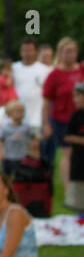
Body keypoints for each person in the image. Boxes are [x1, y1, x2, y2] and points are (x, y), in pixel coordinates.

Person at [41, 37, 82, 189]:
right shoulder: (54, 75)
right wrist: (46, 124)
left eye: (73, 51)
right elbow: (46, 102)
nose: (71, 55)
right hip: (62, 119)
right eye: (67, 51)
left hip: (81, 119)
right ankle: (68, 188)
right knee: (68, 152)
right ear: (60, 53)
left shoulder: (81, 71)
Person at [12, 39, 49, 136]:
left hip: (37, 119)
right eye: (24, 50)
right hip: (16, 119)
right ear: (20, 52)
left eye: (30, 50)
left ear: (36, 52)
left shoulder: (44, 70)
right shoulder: (13, 68)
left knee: (35, 148)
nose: (27, 54)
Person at [63, 82, 84, 210]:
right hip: (79, 162)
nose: (75, 100)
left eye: (78, 96)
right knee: (79, 197)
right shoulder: (76, 115)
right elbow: (67, 136)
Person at [0, 101, 32, 175]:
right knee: (6, 175)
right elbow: (0, 140)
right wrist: (1, 153)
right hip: (8, 157)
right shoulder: (5, 128)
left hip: (23, 156)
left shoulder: (26, 127)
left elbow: (33, 139)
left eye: (22, 111)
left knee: (22, 174)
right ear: (9, 114)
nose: (21, 114)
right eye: (18, 111)